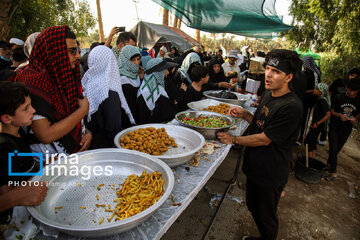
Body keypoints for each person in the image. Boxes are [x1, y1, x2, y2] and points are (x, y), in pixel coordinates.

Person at [217, 49, 303, 240]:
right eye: (269, 69)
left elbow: (265, 138)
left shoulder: (291, 106)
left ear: (288, 77)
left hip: (271, 170)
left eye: (276, 72)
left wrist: (234, 139)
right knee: (253, 205)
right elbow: (260, 122)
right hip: (256, 164)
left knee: (266, 217)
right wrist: (245, 115)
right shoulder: (268, 94)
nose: (269, 75)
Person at [12, 26, 92, 159]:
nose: (78, 56)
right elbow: (45, 135)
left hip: (71, 154)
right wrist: (83, 110)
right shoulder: (34, 81)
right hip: (48, 161)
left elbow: (72, 113)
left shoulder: (64, 75)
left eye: (77, 50)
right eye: (72, 51)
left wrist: (86, 132)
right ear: (55, 51)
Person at [0, 82, 48, 225]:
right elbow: (10, 193)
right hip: (18, 220)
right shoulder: (5, 149)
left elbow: (26, 168)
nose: (33, 110)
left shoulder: (19, 132)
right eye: (26, 108)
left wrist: (45, 165)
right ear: (7, 118)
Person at [81, 46, 133, 147]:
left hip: (91, 144)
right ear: (110, 62)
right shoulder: (109, 91)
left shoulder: (87, 84)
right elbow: (113, 129)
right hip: (106, 147)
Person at [325, 78, 360, 181]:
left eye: (354, 91)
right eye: (349, 90)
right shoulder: (338, 97)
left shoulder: (358, 101)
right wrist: (339, 115)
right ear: (346, 88)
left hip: (346, 129)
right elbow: (332, 111)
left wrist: (355, 119)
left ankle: (329, 164)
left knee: (337, 149)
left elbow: (358, 115)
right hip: (335, 126)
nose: (351, 93)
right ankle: (333, 172)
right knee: (333, 147)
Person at [136, 58, 179, 124]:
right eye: (165, 70)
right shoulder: (158, 92)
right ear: (158, 73)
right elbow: (168, 114)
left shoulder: (143, 89)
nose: (167, 72)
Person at [304, 83, 331, 158]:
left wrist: (317, 123)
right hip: (316, 124)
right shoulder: (318, 99)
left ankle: (309, 161)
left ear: (321, 91)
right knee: (312, 142)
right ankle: (312, 158)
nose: (315, 90)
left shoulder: (322, 101)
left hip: (317, 125)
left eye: (317, 89)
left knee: (308, 141)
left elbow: (328, 114)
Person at [117, 45, 141, 129]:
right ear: (125, 60)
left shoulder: (135, 75)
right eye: (133, 60)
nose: (137, 63)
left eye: (138, 59)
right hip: (127, 122)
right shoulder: (123, 79)